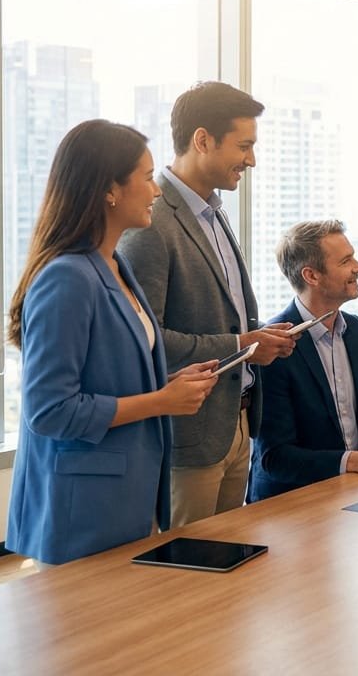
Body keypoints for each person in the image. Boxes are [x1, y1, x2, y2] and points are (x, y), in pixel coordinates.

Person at [6, 120, 218, 565]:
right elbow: (49, 411)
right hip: (81, 511)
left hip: (129, 497)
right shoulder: (67, 278)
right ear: (109, 190)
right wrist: (161, 401)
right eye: (147, 178)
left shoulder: (115, 265)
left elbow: (110, 374)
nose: (156, 191)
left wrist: (168, 383)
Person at [119, 81, 297, 527]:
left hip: (236, 422)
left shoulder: (213, 213)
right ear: (203, 140)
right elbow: (146, 340)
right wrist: (242, 344)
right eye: (244, 146)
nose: (251, 160)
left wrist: (256, 342)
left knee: (226, 558)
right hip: (190, 435)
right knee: (185, 562)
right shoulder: (151, 222)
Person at [248, 220, 358, 502]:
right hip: (291, 503)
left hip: (355, 493)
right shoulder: (274, 345)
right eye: (346, 261)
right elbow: (274, 457)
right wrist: (352, 461)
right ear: (311, 276)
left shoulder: (356, 330)